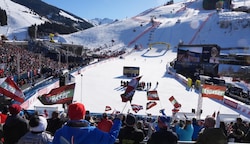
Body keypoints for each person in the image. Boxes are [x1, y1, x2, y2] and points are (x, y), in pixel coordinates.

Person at [52, 102, 123, 144]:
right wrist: (118, 121)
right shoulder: (94, 132)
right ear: (83, 115)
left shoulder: (60, 133)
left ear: (69, 115)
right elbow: (111, 139)